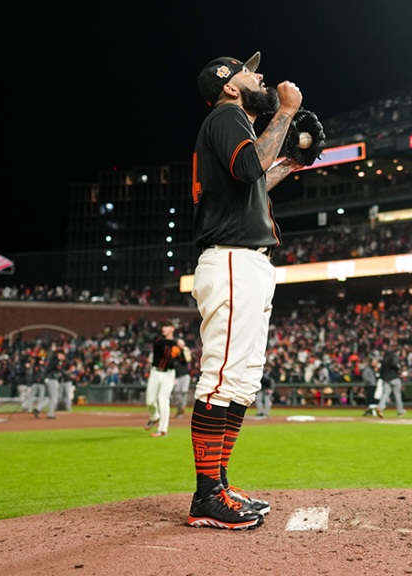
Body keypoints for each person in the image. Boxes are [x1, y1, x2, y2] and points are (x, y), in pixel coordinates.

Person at [187, 50, 303, 530]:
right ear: (230, 85)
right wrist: (287, 113)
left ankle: (220, 484)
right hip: (232, 259)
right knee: (221, 379)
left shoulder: (237, 124)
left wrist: (293, 162)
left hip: (246, 260)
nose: (260, 76)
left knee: (241, 381)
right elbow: (250, 169)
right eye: (249, 71)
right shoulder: (227, 116)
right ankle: (206, 496)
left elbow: (256, 182)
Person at [144, 321, 185, 437]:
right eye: (162, 326)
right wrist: (177, 343)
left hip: (168, 374)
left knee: (163, 400)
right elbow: (163, 343)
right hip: (155, 372)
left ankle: (162, 429)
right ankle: (154, 416)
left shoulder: (176, 345)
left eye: (166, 326)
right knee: (150, 401)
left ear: (172, 328)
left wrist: (182, 351)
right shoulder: (158, 339)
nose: (163, 329)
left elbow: (183, 361)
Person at [376, 344, 406, 417]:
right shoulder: (393, 356)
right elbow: (395, 365)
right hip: (394, 378)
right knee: (397, 395)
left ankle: (380, 407)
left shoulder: (384, 358)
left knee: (385, 394)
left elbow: (381, 370)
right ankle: (400, 411)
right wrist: (400, 369)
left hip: (385, 379)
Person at [171, 337, 194, 419]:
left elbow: (188, 359)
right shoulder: (173, 352)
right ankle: (179, 409)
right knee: (176, 393)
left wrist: (182, 350)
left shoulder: (185, 351)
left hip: (185, 375)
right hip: (176, 376)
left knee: (184, 392)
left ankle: (182, 407)